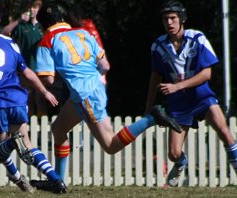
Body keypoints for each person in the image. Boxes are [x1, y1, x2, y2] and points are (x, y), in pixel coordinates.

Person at [33, 1, 182, 187]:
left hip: (83, 94)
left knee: (110, 145)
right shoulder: (83, 32)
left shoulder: (46, 41)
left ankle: (151, 118)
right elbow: (105, 66)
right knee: (58, 129)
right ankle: (57, 180)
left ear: (43, 25)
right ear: (62, 18)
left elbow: (47, 80)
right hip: (93, 88)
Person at [0, 2, 66, 194]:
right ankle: (56, 180)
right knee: (29, 146)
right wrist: (45, 92)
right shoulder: (9, 42)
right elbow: (27, 73)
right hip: (16, 99)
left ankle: (11, 143)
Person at [144, 0, 237, 192]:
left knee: (224, 131)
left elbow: (207, 74)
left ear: (182, 19)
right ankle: (181, 163)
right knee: (173, 153)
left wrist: (178, 87)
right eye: (165, 19)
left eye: (173, 18)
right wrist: (148, 108)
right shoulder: (158, 46)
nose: (169, 22)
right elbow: (155, 76)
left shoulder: (197, 38)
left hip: (202, 97)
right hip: (178, 104)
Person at [1, 0, 48, 118]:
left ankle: (42, 130)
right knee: (28, 99)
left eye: (35, 8)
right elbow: (4, 32)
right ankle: (28, 128)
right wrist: (17, 20)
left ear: (38, 10)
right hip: (24, 69)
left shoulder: (41, 27)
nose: (32, 10)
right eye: (30, 7)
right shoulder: (21, 26)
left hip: (40, 69)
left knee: (40, 99)